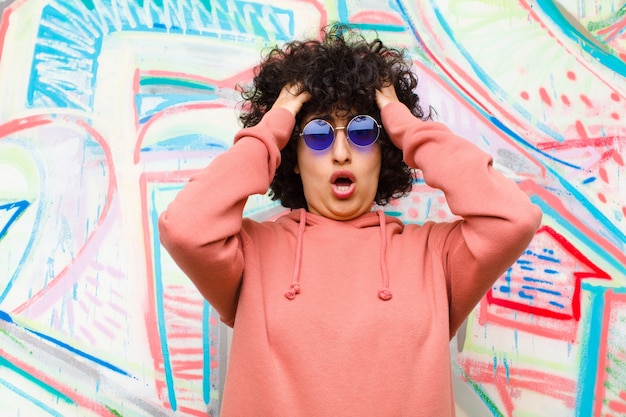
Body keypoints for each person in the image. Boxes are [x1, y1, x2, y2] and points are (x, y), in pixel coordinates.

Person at [158, 24, 542, 417]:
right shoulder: (249, 254)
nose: (341, 152)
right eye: (318, 135)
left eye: (362, 132)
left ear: (384, 150)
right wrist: (273, 127)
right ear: (292, 158)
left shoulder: (437, 257)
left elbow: (513, 219)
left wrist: (406, 127)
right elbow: (185, 227)